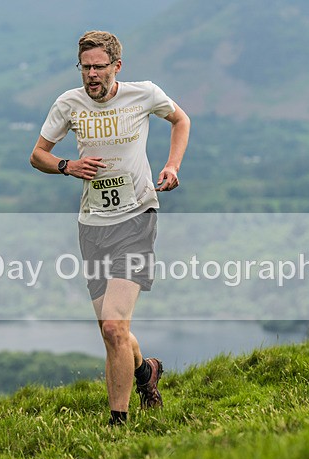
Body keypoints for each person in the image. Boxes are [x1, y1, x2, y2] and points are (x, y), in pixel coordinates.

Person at [30, 30, 190, 426]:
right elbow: (37, 155)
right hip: (93, 225)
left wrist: (172, 166)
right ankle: (145, 372)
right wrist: (68, 166)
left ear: (117, 66)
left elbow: (180, 119)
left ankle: (118, 425)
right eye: (85, 67)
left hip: (136, 218)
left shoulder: (144, 94)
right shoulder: (68, 104)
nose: (91, 75)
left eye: (99, 67)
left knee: (117, 326)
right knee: (110, 330)